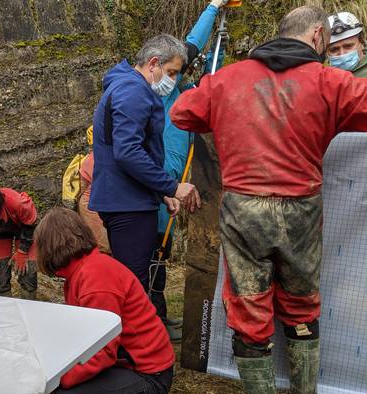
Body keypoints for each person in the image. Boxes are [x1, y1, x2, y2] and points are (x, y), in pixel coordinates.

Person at [170, 6, 367, 393]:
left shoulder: (227, 79)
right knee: (301, 304)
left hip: (244, 210)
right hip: (302, 212)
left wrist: (226, 115)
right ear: (315, 37)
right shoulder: (333, 83)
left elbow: (181, 113)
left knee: (248, 306)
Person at [89, 34, 201, 324]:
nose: (173, 80)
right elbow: (128, 153)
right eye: (172, 72)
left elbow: (128, 152)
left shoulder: (126, 86)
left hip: (130, 198)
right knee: (135, 285)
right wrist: (172, 186)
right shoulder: (134, 92)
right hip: (128, 205)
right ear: (154, 63)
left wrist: (160, 193)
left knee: (134, 279)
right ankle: (133, 353)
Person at [35, 207, 174, 394]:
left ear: (48, 248)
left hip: (148, 373)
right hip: (124, 363)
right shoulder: (80, 272)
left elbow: (103, 351)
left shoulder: (96, 278)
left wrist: (58, 379)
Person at [155, 0, 229, 341]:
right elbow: (190, 45)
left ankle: (158, 316)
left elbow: (206, 72)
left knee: (161, 254)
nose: (177, 76)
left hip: (174, 190)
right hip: (157, 190)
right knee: (152, 254)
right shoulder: (158, 95)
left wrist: (218, 27)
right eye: (173, 71)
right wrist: (213, 8)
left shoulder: (184, 94)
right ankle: (152, 320)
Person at [77, 126, 110, 254]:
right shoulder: (100, 156)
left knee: (99, 241)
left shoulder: (90, 158)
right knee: (102, 244)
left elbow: (82, 185)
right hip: (93, 204)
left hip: (91, 203)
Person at [327, 11, 366, 77]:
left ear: (362, 42)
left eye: (348, 46)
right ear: (326, 52)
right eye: (334, 50)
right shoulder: (324, 77)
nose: (342, 54)